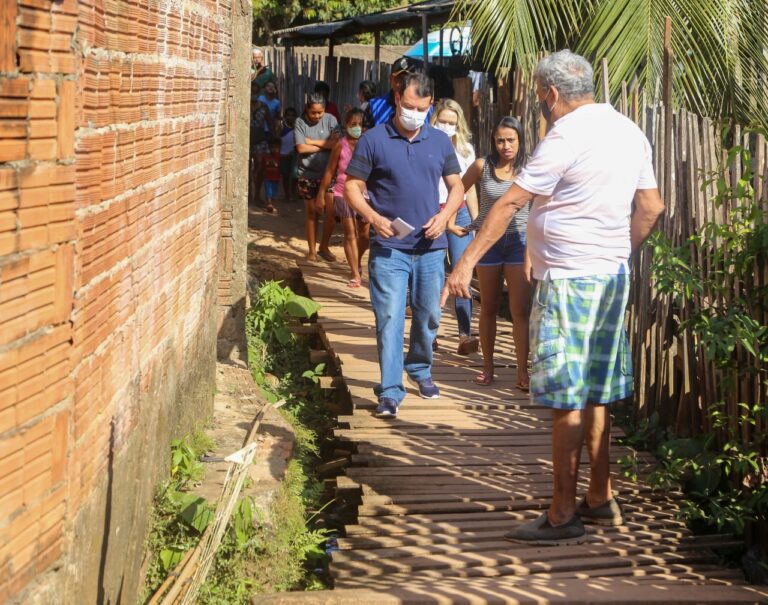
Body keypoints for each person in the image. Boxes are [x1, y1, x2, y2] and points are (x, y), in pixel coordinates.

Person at [443, 50, 665, 544]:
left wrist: (464, 262)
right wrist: (612, 250)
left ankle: (563, 512)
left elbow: (510, 203)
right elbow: (651, 207)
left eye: (540, 96)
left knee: (566, 397)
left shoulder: (565, 135)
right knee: (595, 393)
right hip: (610, 280)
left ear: (550, 94)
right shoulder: (628, 130)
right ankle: (600, 496)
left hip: (567, 281)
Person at [344, 72, 465, 419]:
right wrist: (373, 217)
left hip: (430, 247)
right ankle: (390, 391)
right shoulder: (373, 139)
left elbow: (456, 186)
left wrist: (444, 217)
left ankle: (420, 368)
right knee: (390, 318)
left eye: (422, 109)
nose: (415, 113)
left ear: (430, 107)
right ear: (397, 99)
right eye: (409, 106)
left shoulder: (440, 142)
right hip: (388, 247)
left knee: (428, 316)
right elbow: (352, 186)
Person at [461, 116, 531, 388]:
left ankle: (522, 372)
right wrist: (456, 222)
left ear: (520, 140)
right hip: (488, 244)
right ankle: (487, 368)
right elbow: (458, 188)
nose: (505, 145)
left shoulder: (530, 169)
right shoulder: (482, 166)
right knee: (488, 307)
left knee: (519, 311)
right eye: (500, 140)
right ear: (493, 141)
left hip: (519, 241)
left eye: (511, 140)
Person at [430, 98, 479, 355]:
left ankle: (465, 334)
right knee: (434, 274)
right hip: (433, 212)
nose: (447, 126)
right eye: (442, 121)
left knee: (462, 270)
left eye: (451, 123)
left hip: (459, 213)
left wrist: (476, 221)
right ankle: (431, 333)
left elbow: (468, 189)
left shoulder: (465, 150)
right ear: (434, 119)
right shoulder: (424, 144)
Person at [317, 108, 366, 287]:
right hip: (342, 192)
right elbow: (330, 170)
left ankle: (357, 261)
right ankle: (354, 273)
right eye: (353, 125)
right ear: (346, 125)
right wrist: (322, 194)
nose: (357, 128)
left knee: (365, 234)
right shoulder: (340, 144)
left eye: (360, 124)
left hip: (365, 193)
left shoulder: (367, 143)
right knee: (350, 233)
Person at [294, 93, 339, 261]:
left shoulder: (331, 120)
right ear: (307, 109)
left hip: (329, 174)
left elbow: (336, 144)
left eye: (320, 112)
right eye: (313, 112)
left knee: (331, 213)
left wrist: (312, 142)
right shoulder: (300, 122)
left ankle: (324, 247)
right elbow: (300, 148)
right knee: (312, 213)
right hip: (307, 174)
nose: (317, 116)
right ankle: (312, 250)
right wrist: (325, 146)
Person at [364, 56, 426, 127]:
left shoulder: (424, 108)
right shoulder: (374, 106)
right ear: (391, 79)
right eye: (399, 78)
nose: (403, 83)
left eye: (408, 79)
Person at [280, 107, 298, 203]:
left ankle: (293, 192)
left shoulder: (298, 127)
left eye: (292, 115)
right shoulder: (281, 127)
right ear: (285, 116)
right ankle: (287, 194)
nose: (290, 117)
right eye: (288, 115)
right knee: (285, 175)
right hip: (283, 154)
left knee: (295, 175)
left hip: (295, 154)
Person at [261, 137, 281, 213]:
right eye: (272, 147)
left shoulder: (280, 157)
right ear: (269, 147)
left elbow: (280, 167)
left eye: (276, 147)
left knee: (274, 193)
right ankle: (269, 204)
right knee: (268, 191)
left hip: (276, 178)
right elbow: (262, 166)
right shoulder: (265, 156)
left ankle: (272, 204)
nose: (274, 149)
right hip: (267, 178)